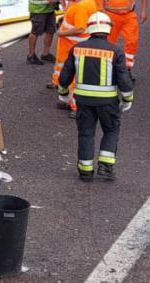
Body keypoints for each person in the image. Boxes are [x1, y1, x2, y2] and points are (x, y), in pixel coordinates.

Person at [57, 12, 134, 181]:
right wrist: (127, 98)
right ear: (108, 29)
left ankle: (85, 171)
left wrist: (63, 93)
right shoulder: (115, 51)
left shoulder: (77, 49)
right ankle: (106, 168)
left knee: (86, 133)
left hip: (83, 101)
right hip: (108, 102)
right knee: (111, 130)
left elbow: (65, 76)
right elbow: (124, 79)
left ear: (90, 28)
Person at [92, 0, 148, 73]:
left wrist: (143, 11)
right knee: (109, 43)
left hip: (129, 15)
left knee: (132, 42)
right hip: (111, 16)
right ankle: (108, 69)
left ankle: (127, 69)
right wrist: (102, 13)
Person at [52, 0, 97, 119]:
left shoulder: (81, 7)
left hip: (73, 46)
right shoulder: (87, 1)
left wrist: (61, 33)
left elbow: (80, 28)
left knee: (74, 79)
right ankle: (70, 101)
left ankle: (76, 106)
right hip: (73, 46)